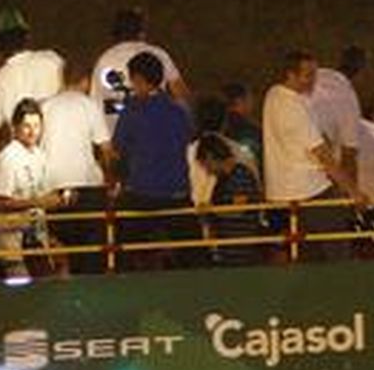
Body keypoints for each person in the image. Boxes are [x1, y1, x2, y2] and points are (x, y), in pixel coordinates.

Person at [262, 49, 363, 261]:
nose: (313, 81)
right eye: (308, 75)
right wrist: (353, 190)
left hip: (287, 189)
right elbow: (322, 154)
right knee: (337, 251)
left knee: (312, 254)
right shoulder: (293, 106)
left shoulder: (274, 95)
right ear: (291, 75)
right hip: (310, 187)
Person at [111, 51, 194, 267]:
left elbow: (117, 149)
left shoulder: (133, 110)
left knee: (120, 248)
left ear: (139, 79)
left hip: (142, 194)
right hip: (178, 194)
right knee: (191, 255)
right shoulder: (179, 110)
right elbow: (189, 137)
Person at [41, 62, 113, 273]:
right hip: (88, 188)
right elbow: (106, 149)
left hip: (53, 189)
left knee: (62, 251)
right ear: (86, 81)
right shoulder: (89, 105)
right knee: (91, 254)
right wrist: (111, 178)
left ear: (62, 79)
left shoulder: (45, 106)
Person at [0, 97, 70, 278]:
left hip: (37, 240)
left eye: (37, 126)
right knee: (22, 292)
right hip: (13, 243)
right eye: (27, 126)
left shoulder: (40, 155)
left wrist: (59, 199)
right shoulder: (8, 157)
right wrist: (39, 202)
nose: (32, 132)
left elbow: (45, 193)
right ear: (15, 127)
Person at [0, 7, 65, 162]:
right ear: (26, 37)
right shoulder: (53, 60)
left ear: (0, 43)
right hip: (62, 158)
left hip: (25, 166)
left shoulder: (1, 79)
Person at [90, 6, 189, 135]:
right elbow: (181, 94)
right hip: (155, 133)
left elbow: (95, 104)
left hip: (115, 140)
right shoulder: (158, 55)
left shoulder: (105, 59)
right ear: (141, 32)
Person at [194, 133, 268, 266]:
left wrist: (211, 210)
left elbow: (239, 210)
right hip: (229, 251)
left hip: (241, 251)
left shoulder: (240, 175)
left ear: (211, 157)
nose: (206, 170)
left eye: (205, 164)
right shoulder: (223, 179)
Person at [310, 45, 365, 195]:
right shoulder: (347, 96)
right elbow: (349, 152)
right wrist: (353, 193)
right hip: (316, 175)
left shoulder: (317, 75)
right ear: (361, 74)